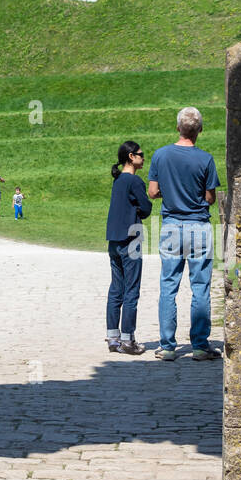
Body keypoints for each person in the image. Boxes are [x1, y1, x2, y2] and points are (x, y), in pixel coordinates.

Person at [148, 107, 221, 361]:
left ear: (178, 127)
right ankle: (200, 345)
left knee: (169, 284)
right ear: (200, 129)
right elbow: (210, 198)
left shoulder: (161, 155)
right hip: (198, 225)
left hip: (171, 225)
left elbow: (153, 192)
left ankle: (167, 346)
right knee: (200, 286)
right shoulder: (206, 159)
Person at [105, 141, 152, 356]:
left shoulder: (118, 181)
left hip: (114, 240)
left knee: (116, 289)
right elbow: (147, 208)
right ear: (131, 157)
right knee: (131, 291)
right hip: (131, 239)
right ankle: (128, 340)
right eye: (141, 155)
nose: (144, 158)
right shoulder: (134, 181)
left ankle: (113, 337)